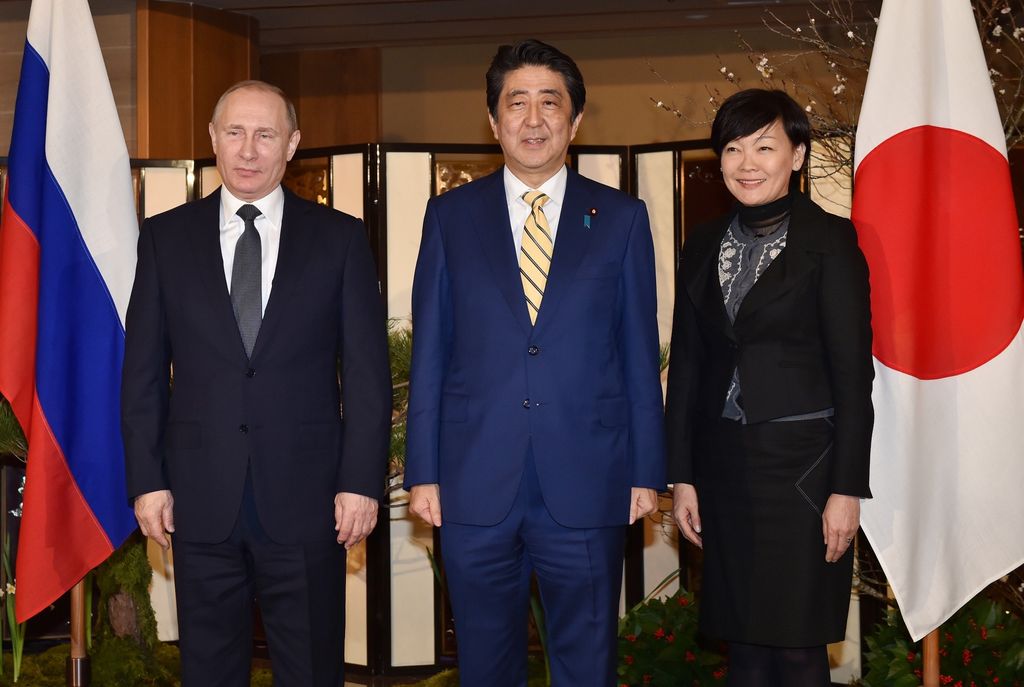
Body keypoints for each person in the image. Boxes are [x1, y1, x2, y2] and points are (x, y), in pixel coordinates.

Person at [403, 39, 665, 687]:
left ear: (575, 121)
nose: (533, 118)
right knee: (486, 665)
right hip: (473, 482)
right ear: (492, 121)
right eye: (516, 102)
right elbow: (432, 351)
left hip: (589, 479)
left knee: (586, 662)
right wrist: (424, 471)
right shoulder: (449, 217)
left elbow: (637, 353)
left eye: (551, 102)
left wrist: (647, 471)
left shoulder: (623, 220)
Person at [121, 80, 392, 687]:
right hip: (197, 500)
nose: (249, 149)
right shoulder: (166, 239)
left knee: (312, 669)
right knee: (209, 671)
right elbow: (141, 375)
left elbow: (367, 377)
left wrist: (360, 483)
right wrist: (148, 481)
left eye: (265, 134)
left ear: (292, 144)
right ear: (213, 139)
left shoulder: (340, 239)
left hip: (311, 503)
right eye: (235, 132)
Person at [665, 89, 873, 687]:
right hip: (723, 468)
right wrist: (682, 473)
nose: (747, 162)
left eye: (764, 146)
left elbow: (854, 374)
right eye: (732, 148)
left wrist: (846, 490)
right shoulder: (703, 242)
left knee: (797, 645)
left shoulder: (831, 241)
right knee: (744, 647)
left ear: (799, 156)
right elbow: (688, 364)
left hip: (804, 472)